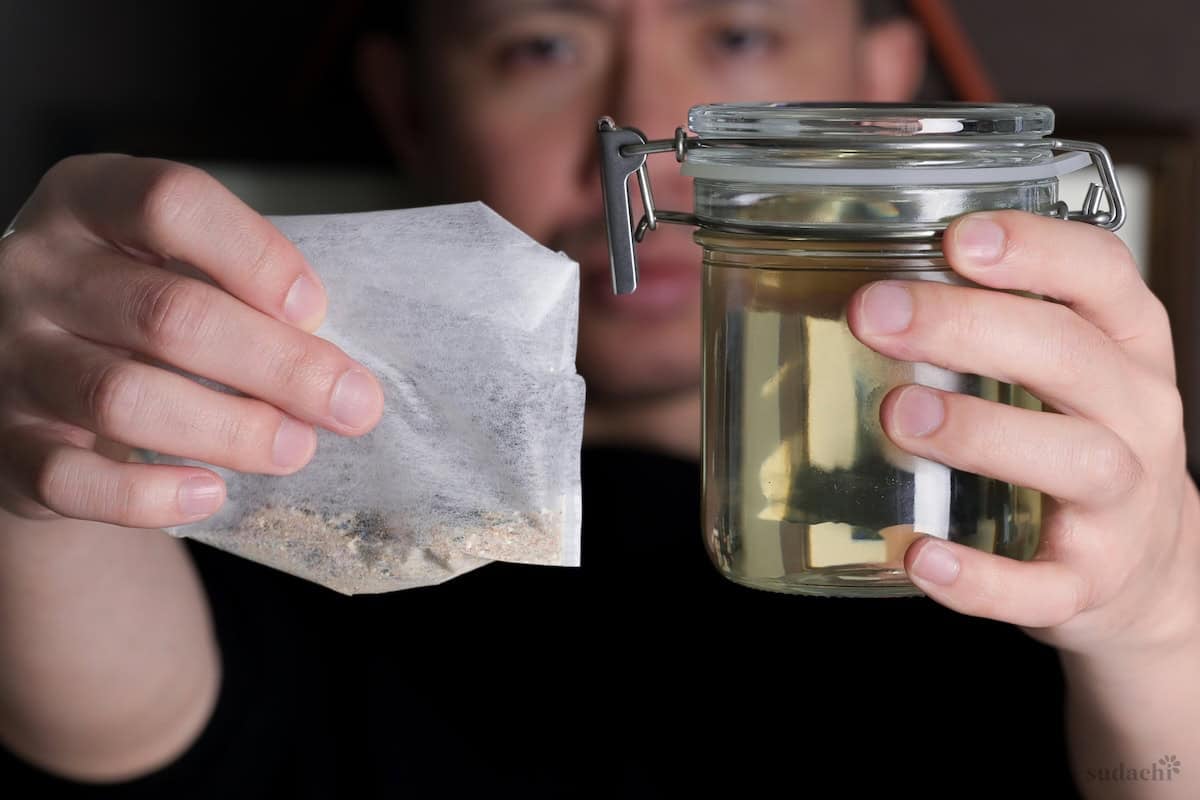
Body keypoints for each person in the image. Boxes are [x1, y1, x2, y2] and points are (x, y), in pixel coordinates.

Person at [1, 1, 1197, 797]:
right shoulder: (262, 472)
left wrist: (1156, 630)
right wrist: (34, 451)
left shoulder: (1074, 518)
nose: (645, 141)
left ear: (884, 84)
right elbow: (122, 728)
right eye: (542, 46)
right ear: (409, 102)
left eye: (735, 34)